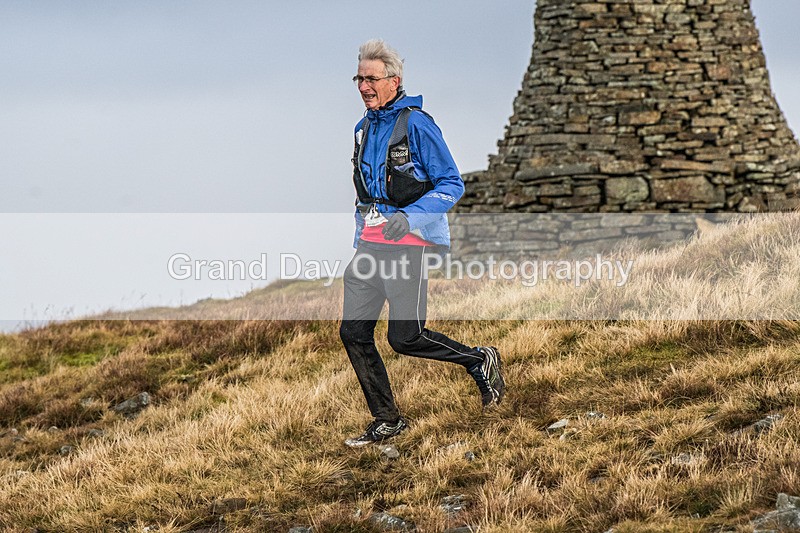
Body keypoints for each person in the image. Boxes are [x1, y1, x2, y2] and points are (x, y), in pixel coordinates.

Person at [340, 39, 505, 448]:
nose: (363, 85)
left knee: (405, 338)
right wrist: (362, 238)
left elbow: (452, 183)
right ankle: (387, 419)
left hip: (408, 246)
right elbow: (366, 194)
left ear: (394, 81)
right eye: (359, 78)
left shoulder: (417, 124)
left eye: (371, 78)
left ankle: (479, 360)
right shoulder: (362, 129)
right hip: (370, 246)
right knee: (353, 332)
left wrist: (410, 217)